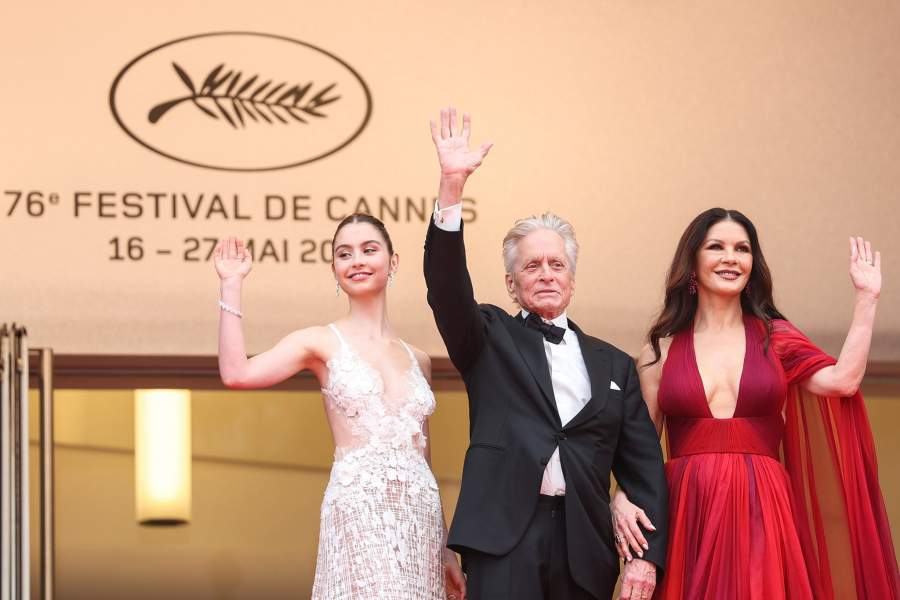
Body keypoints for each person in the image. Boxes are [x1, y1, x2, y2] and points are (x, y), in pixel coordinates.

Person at [424, 106, 668, 600]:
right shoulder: (488, 337)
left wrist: (645, 558)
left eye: (557, 265)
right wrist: (451, 188)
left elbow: (645, 468)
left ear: (572, 281)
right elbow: (446, 287)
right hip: (503, 540)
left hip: (585, 545)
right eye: (532, 266)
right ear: (511, 285)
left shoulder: (616, 365)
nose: (546, 274)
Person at [612, 208, 898, 599]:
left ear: (753, 265)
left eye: (742, 249)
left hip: (762, 504)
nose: (731, 257)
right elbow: (641, 452)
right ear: (692, 263)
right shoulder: (659, 352)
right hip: (687, 510)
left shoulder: (775, 337)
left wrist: (867, 299)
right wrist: (621, 499)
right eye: (717, 247)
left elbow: (843, 380)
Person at [213, 215, 466, 600]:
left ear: (393, 262)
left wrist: (445, 548)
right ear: (334, 269)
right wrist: (231, 285)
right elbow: (237, 374)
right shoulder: (320, 342)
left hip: (420, 521)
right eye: (344, 254)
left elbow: (423, 459)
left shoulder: (419, 359)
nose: (357, 260)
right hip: (359, 511)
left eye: (369, 250)